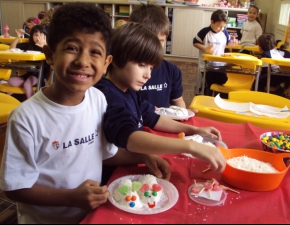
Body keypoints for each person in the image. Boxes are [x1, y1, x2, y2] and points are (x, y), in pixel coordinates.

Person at [0, 3, 171, 224]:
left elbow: (106, 152)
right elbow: (14, 188)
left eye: (95, 52)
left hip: (92, 215)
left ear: (106, 63)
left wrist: (144, 157)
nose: (83, 61)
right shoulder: (26, 118)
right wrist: (71, 198)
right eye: (72, 48)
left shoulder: (98, 100)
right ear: (50, 54)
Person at [94, 23, 226, 177]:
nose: (148, 75)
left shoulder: (128, 90)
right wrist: (190, 146)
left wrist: (194, 130)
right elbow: (130, 137)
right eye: (141, 65)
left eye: (150, 68)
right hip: (110, 177)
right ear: (115, 61)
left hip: (129, 161)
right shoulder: (106, 94)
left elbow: (154, 118)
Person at [129, 3, 187, 109]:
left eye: (160, 41)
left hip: (163, 123)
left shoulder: (172, 71)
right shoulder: (127, 71)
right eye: (150, 41)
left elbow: (177, 99)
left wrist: (182, 112)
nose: (155, 47)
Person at [193, 9, 230, 96]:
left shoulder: (224, 32)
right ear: (212, 22)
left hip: (220, 65)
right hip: (206, 65)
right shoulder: (204, 32)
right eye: (219, 26)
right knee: (209, 82)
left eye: (223, 26)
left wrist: (232, 44)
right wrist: (205, 48)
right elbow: (195, 42)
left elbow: (228, 43)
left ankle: (216, 94)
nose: (221, 29)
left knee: (223, 79)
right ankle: (206, 93)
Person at [8, 25, 48, 99]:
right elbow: (12, 49)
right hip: (28, 74)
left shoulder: (47, 47)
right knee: (11, 81)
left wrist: (44, 46)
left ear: (45, 36)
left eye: (41, 35)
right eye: (36, 35)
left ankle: (33, 103)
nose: (38, 37)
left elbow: (52, 58)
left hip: (39, 75)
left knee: (27, 84)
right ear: (32, 36)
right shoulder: (29, 46)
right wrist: (17, 37)